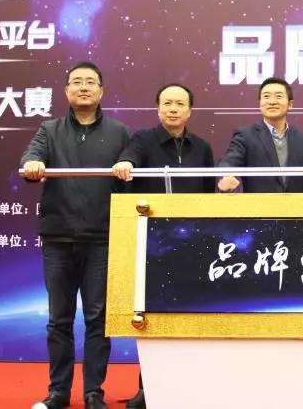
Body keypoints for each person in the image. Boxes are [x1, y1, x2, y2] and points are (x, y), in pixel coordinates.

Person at [21, 61, 129, 409]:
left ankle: (94, 391)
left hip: (102, 239)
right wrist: (34, 165)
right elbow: (31, 157)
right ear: (67, 90)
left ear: (101, 91)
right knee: (59, 320)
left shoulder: (120, 133)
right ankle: (58, 392)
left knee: (98, 319)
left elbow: (133, 168)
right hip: (59, 239)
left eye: (91, 82)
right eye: (77, 82)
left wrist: (127, 166)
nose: (84, 87)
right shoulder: (49, 130)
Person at [112, 82, 215, 409]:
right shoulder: (142, 140)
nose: (173, 109)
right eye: (167, 103)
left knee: (194, 317)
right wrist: (126, 164)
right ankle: (148, 390)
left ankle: (189, 387)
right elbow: (129, 159)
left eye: (179, 104)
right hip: (153, 246)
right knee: (153, 319)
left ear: (190, 111)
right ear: (158, 108)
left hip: (194, 246)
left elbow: (209, 197)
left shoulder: (202, 148)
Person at [217, 77, 303, 193]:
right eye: (266, 96)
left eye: (278, 96)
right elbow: (230, 160)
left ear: (290, 104)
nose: (272, 101)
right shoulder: (246, 136)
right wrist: (226, 176)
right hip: (259, 204)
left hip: (296, 204)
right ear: (260, 103)